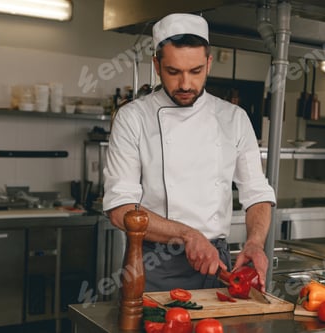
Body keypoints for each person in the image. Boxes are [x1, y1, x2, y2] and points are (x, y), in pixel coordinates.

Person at [102, 13, 276, 292]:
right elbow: (119, 209)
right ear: (157, 65)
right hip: (156, 262)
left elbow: (257, 193)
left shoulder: (234, 118)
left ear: (208, 63)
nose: (185, 84)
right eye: (174, 72)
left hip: (217, 262)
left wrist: (255, 242)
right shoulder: (133, 117)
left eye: (195, 71)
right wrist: (186, 235)